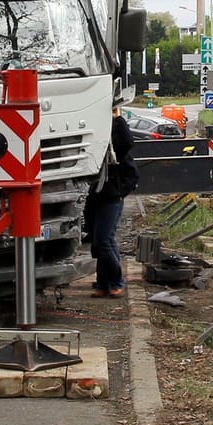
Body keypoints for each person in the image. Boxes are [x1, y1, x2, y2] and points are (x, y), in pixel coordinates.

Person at [86, 106, 139, 298]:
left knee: (104, 239)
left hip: (111, 197)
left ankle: (116, 281)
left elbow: (127, 141)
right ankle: (103, 282)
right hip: (94, 197)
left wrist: (118, 119)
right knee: (99, 240)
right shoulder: (93, 146)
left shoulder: (115, 149)